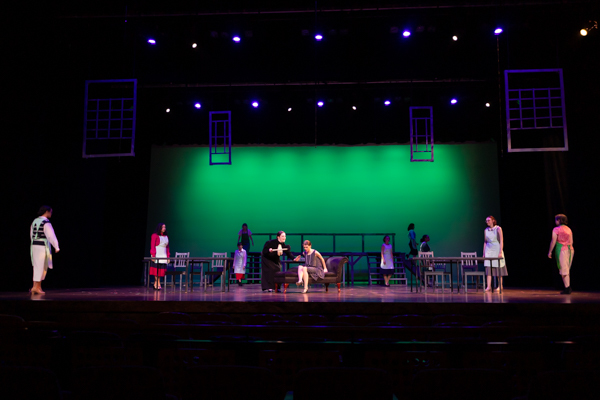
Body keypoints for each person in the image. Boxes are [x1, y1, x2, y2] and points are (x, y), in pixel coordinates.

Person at [30, 205, 60, 294]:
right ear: (46, 212)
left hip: (34, 245)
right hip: (42, 246)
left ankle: (35, 286)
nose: (51, 214)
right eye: (50, 212)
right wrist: (56, 246)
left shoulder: (35, 221)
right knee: (41, 267)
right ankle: (37, 287)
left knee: (36, 266)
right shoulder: (46, 222)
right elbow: (51, 235)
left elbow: (31, 234)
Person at [548, 214, 574, 294]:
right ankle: (567, 287)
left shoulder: (556, 229)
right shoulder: (569, 229)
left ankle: (567, 288)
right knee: (566, 269)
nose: (555, 221)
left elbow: (553, 241)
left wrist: (550, 251)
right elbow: (571, 241)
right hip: (570, 250)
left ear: (559, 220)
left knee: (564, 269)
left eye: (556, 220)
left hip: (562, 250)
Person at [483, 215, 507, 292]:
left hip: (496, 248)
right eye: (486, 221)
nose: (487, 222)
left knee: (498, 268)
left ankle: (500, 285)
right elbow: (485, 242)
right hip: (489, 250)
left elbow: (502, 240)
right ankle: (489, 286)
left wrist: (500, 251)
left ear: (493, 221)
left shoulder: (498, 229)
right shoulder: (486, 230)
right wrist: (484, 253)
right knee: (488, 269)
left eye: (489, 220)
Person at [150, 223, 170, 290]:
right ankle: (158, 283)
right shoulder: (154, 235)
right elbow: (152, 246)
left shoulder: (166, 236)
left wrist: (168, 256)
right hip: (157, 253)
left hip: (163, 254)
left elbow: (167, 247)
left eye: (165, 227)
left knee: (161, 270)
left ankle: (156, 283)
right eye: (163, 227)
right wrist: (153, 255)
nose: (164, 228)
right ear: (159, 228)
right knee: (156, 270)